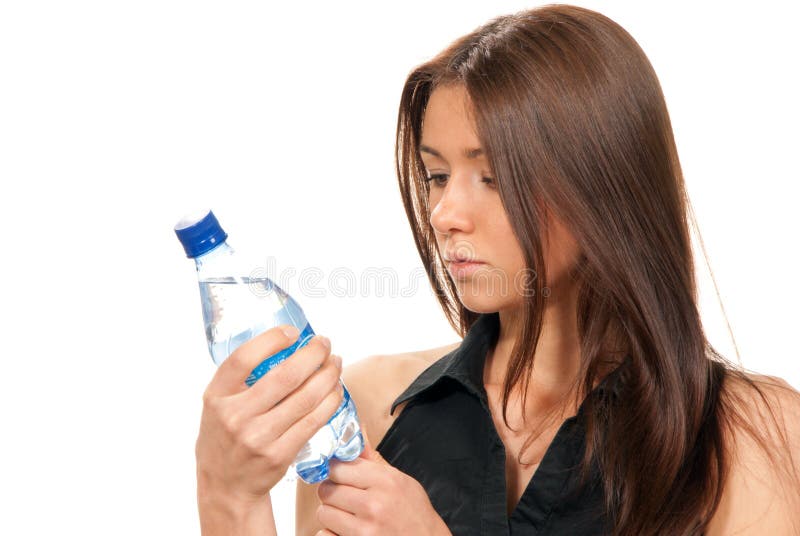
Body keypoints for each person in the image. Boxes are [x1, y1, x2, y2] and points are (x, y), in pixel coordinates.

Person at [196, 4, 800, 535]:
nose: (444, 212)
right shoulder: (373, 413)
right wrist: (229, 497)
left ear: (606, 187)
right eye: (436, 176)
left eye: (494, 177)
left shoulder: (749, 436)